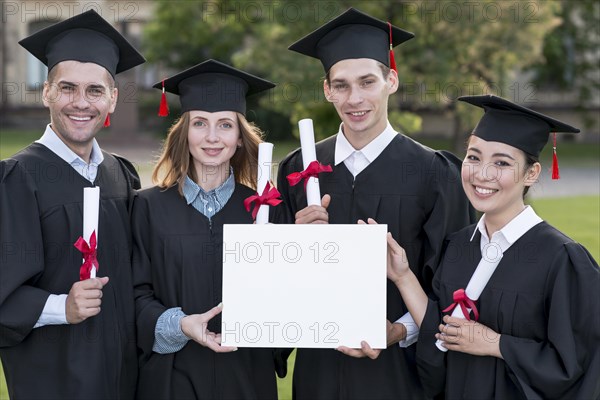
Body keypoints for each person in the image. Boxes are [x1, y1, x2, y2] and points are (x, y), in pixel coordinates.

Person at [276, 7, 474, 400]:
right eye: (342, 85)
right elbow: (274, 285)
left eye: (367, 82)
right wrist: (291, 246)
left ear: (391, 81)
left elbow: (454, 284)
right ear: (327, 90)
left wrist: (399, 330)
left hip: (400, 371)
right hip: (318, 368)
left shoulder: (433, 173)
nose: (355, 99)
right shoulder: (299, 169)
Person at [385, 94, 600, 399]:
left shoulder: (562, 259)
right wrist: (403, 276)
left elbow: (580, 364)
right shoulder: (459, 246)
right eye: (474, 157)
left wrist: (496, 344)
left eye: (501, 162)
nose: (482, 174)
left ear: (531, 173)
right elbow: (441, 336)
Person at [0, 9, 145, 399]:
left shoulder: (121, 175)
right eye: (67, 88)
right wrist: (61, 307)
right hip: (52, 380)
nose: (81, 103)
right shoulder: (16, 179)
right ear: (46, 91)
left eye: (95, 90)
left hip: (124, 377)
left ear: (112, 99)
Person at [132, 59, 280, 399]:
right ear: (185, 133)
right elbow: (135, 294)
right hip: (171, 379)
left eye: (225, 125)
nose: (212, 137)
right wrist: (180, 325)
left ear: (240, 138)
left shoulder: (266, 210)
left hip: (247, 375)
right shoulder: (148, 207)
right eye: (200, 123)